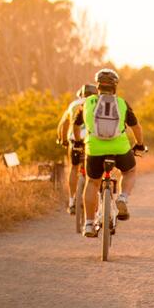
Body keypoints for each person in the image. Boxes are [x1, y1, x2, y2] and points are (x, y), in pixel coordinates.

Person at [73, 68, 146, 237]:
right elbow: (136, 127)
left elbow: (75, 126)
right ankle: (123, 198)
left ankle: (89, 224)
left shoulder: (87, 103)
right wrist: (140, 145)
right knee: (130, 171)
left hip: (95, 149)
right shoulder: (121, 103)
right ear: (115, 86)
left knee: (92, 182)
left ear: (98, 86)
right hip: (119, 148)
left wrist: (78, 141)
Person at [57, 83, 97, 215]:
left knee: (74, 167)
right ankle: (96, 202)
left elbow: (64, 124)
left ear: (81, 94)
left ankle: (72, 200)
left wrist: (63, 140)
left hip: (75, 139)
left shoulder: (73, 105)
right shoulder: (97, 103)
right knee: (94, 174)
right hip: (92, 140)